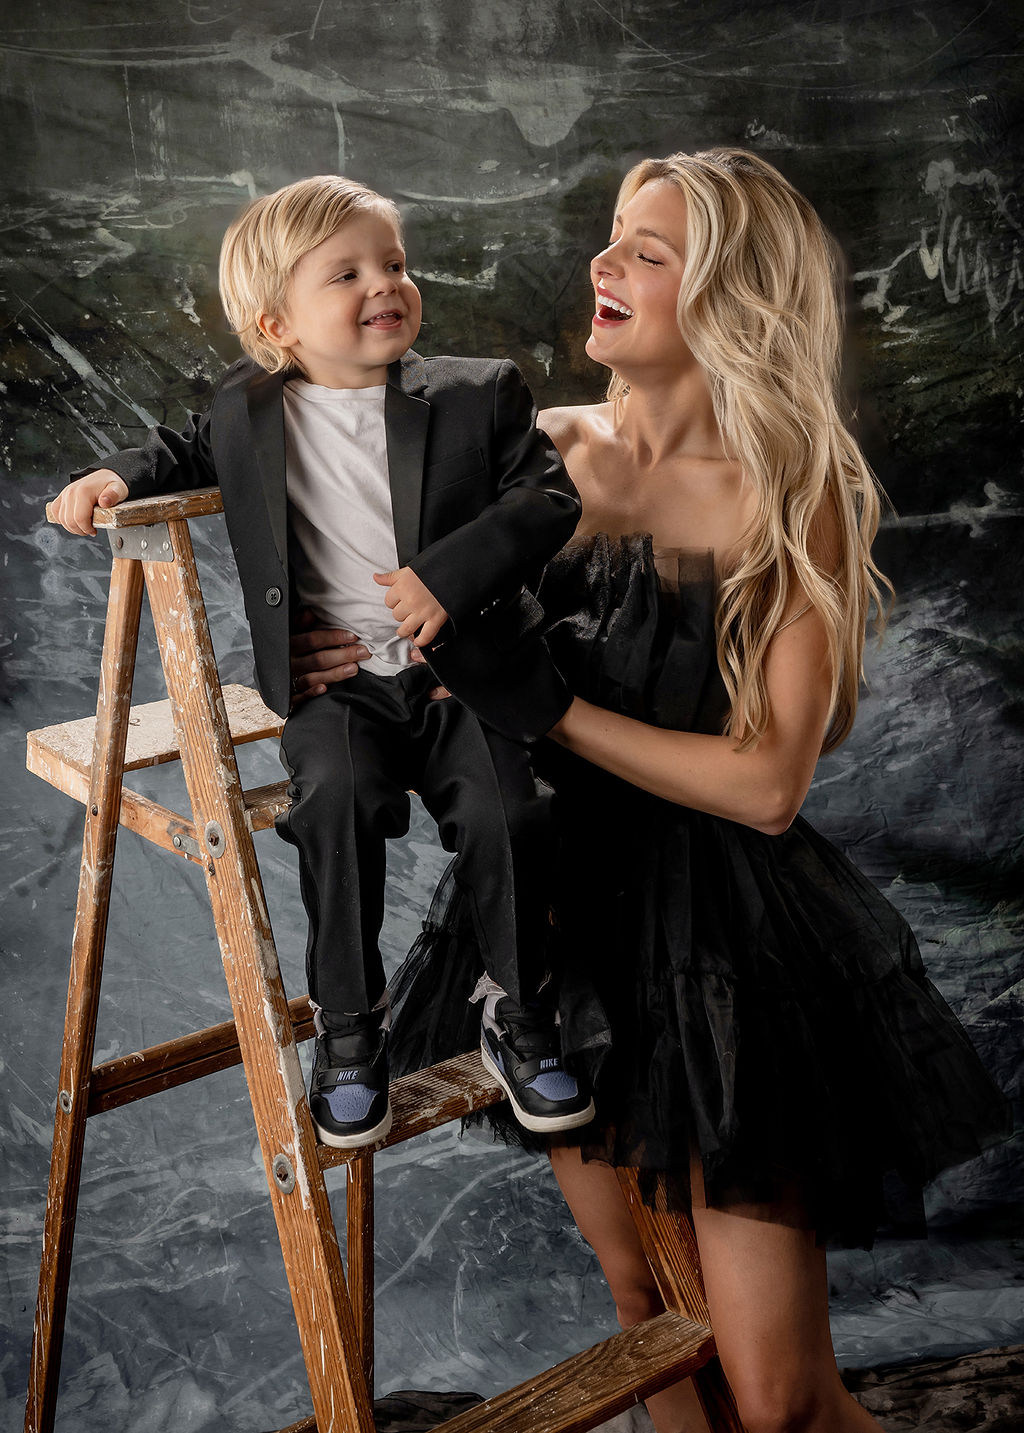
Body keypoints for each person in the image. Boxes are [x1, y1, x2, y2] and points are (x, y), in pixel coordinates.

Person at [291, 150, 1009, 1432]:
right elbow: (324, 483)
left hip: (731, 942)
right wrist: (319, 640)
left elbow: (770, 784)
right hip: (559, 929)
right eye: (612, 236)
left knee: (779, 1397)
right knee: (650, 1324)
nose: (602, 264)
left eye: (647, 250)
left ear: (731, 299)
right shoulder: (540, 453)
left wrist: (550, 708)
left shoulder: (790, 490)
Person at [48, 173, 596, 1151]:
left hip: (463, 675)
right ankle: (348, 1034)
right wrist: (113, 474)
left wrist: (444, 574)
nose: (384, 283)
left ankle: (522, 1017)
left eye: (392, 263)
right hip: (336, 689)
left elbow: (547, 500)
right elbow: (182, 452)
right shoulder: (248, 409)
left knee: (511, 812)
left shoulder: (477, 393)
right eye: (345, 273)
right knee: (330, 805)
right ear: (278, 323)